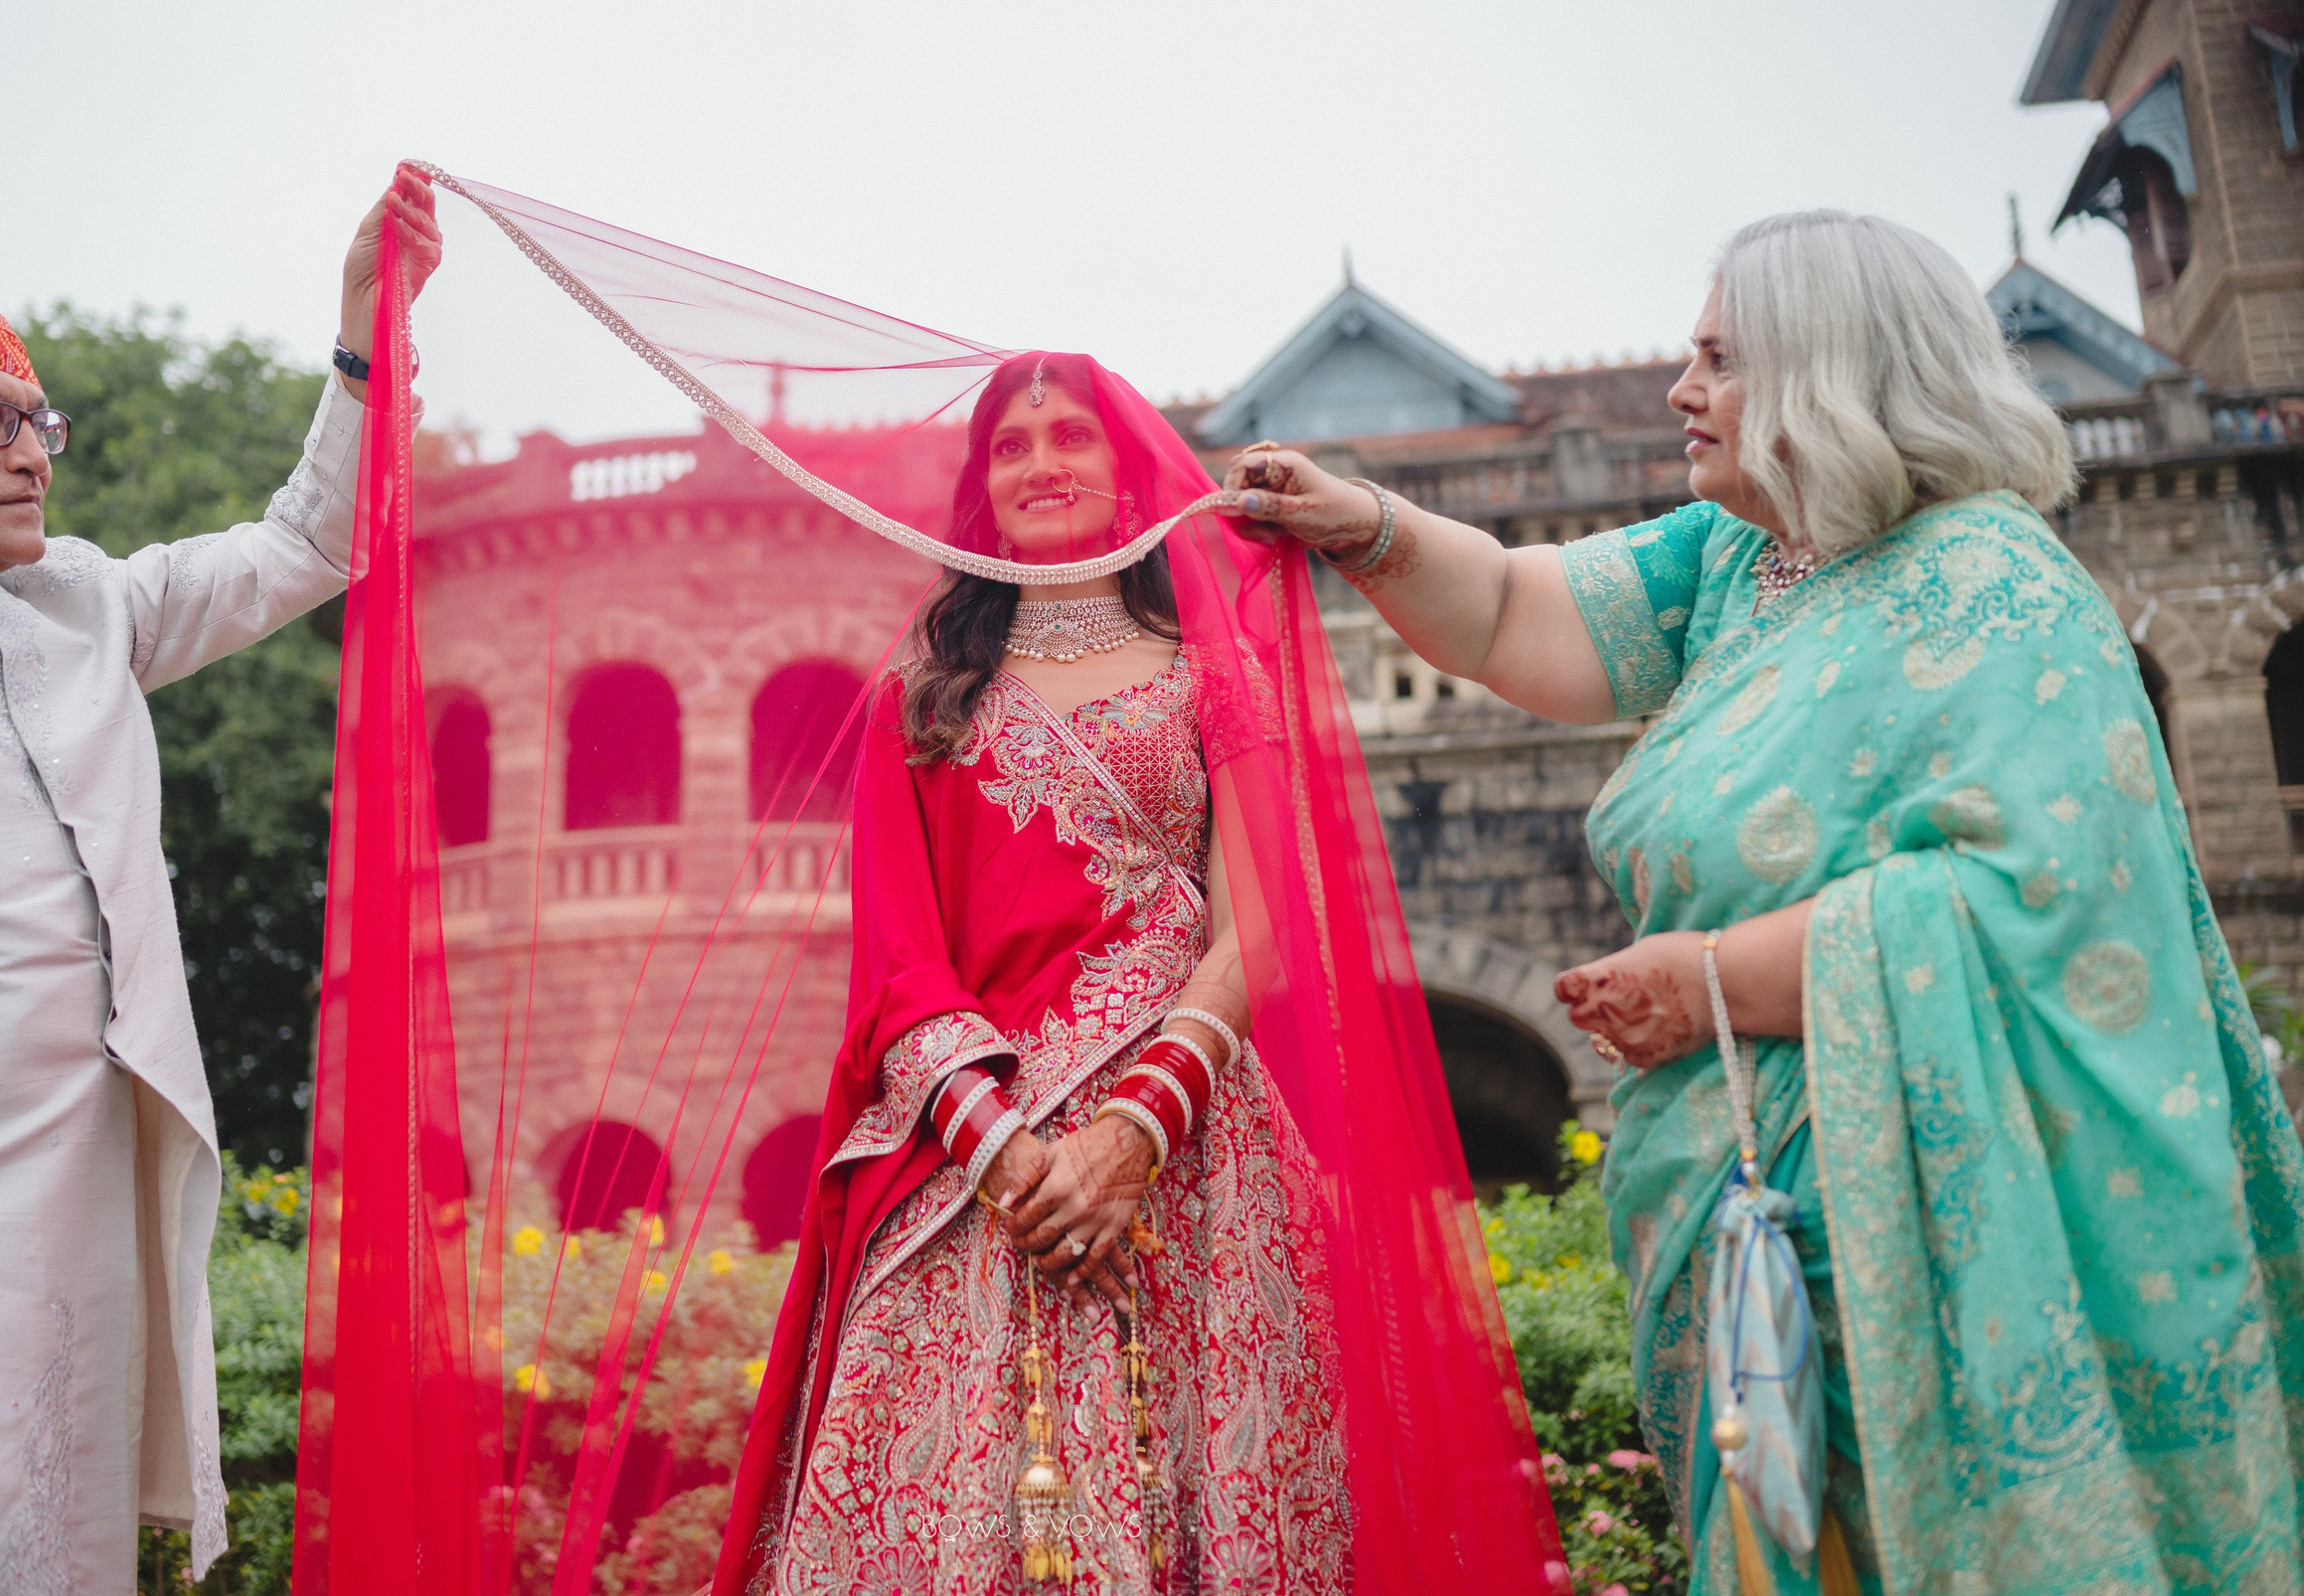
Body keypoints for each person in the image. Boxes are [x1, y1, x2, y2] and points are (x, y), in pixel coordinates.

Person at [1226, 211, 2304, 1593]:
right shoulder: (1738, 563)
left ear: (1830, 371)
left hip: (1907, 1212)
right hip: (1740, 1215)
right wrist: (1364, 520)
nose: (1684, 391)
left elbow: (2052, 906)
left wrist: (1715, 979)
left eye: (1721, 360)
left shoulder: (1994, 583)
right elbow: (1505, 611)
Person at [713, 351, 1557, 1594]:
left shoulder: (1215, 675)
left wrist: (1130, 1132)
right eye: (1012, 445)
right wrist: (1017, 1162)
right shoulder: (921, 702)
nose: (1043, 462)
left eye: (1072, 438)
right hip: (970, 1165)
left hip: (1194, 1155)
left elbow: (1258, 929)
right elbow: (899, 965)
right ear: (979, 489)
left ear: (1127, 471)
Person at [0, 167, 439, 1590]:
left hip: (66, 1220)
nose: (32, 454)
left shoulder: (83, 601)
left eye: (37, 419)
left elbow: (311, 541)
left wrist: (364, 331)